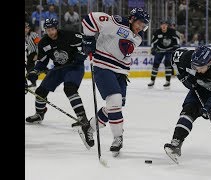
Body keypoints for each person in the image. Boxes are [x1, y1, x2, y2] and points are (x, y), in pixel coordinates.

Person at [73, 7, 150, 156]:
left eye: (144, 24)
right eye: (140, 23)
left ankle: (89, 127)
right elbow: (89, 19)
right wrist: (88, 39)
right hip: (103, 67)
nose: (141, 27)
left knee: (115, 106)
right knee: (114, 101)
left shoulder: (138, 38)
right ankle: (118, 137)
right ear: (132, 18)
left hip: (121, 73)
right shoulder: (116, 22)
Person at [25, 19, 89, 133]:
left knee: (70, 88)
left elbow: (87, 42)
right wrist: (35, 71)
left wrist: (83, 54)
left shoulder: (68, 35)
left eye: (52, 29)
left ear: (56, 28)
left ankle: (82, 117)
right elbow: (42, 61)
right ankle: (39, 114)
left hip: (74, 67)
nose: (50, 32)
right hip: (58, 68)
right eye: (48, 30)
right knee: (40, 91)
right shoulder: (44, 42)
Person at [148, 19, 180, 88]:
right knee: (156, 64)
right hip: (160, 50)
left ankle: (168, 81)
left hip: (169, 50)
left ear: (167, 26)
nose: (164, 26)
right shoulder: (157, 32)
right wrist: (153, 48)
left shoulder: (172, 31)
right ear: (160, 26)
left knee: (168, 63)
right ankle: (152, 81)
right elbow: (153, 42)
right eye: (162, 25)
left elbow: (177, 39)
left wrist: (177, 46)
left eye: (165, 25)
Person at [25, 21, 41, 87]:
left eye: (27, 28)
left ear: (30, 28)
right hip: (29, 54)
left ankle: (33, 82)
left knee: (30, 68)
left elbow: (39, 44)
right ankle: (33, 82)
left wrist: (37, 54)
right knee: (29, 68)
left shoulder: (33, 34)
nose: (26, 29)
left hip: (33, 53)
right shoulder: (27, 35)